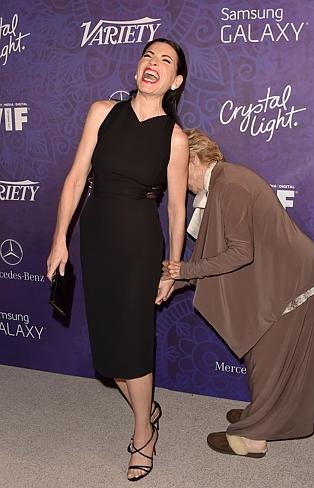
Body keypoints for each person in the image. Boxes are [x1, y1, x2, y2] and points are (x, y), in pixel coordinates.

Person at [47, 39, 189, 481]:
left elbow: (177, 210)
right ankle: (149, 407)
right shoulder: (101, 112)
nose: (154, 64)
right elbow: (75, 181)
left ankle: (143, 434)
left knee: (133, 343)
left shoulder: (175, 137)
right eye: (149, 56)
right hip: (97, 235)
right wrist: (59, 240)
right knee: (109, 356)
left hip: (139, 244)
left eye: (166, 61)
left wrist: (173, 268)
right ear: (137, 67)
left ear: (175, 81)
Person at [163, 128, 314, 458]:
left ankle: (254, 437)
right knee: (262, 357)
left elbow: (240, 253)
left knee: (267, 359)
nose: (177, 184)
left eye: (179, 171)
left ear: (195, 160)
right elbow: (213, 260)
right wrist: (175, 280)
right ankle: (266, 416)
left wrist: (184, 272)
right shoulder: (221, 185)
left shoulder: (230, 185)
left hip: (293, 280)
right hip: (280, 278)